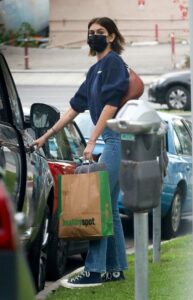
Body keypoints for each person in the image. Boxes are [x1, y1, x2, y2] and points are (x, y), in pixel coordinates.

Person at [33, 16, 129, 288]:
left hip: (116, 139)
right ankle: (116, 268)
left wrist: (91, 141)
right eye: (91, 32)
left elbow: (111, 105)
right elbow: (75, 107)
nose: (94, 36)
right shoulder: (95, 69)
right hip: (110, 141)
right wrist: (46, 136)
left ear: (111, 37)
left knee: (97, 205)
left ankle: (94, 271)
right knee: (107, 207)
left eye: (100, 32)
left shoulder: (114, 64)